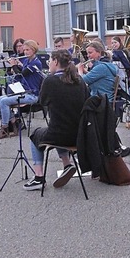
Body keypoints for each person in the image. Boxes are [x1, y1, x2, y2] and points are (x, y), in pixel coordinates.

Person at [24, 50, 89, 191]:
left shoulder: (50, 80)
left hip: (60, 135)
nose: (48, 64)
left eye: (50, 61)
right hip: (79, 135)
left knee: (35, 134)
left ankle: (39, 177)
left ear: (56, 62)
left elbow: (43, 102)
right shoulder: (80, 80)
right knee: (59, 126)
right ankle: (67, 165)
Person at [0, 39, 44, 140]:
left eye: (27, 50)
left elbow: (22, 74)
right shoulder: (27, 62)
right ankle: (14, 123)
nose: (25, 52)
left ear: (33, 50)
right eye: (24, 50)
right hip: (24, 91)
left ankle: (4, 128)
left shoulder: (36, 63)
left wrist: (14, 65)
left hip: (32, 94)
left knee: (4, 101)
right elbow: (20, 78)